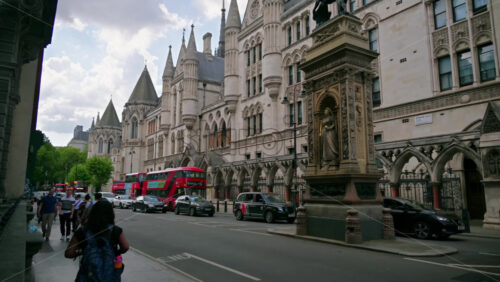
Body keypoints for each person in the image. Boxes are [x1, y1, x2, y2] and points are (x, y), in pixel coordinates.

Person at [65, 201, 129, 281]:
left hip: (87, 275)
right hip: (109, 274)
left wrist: (82, 251)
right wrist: (116, 252)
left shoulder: (83, 230)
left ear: (93, 213)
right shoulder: (115, 230)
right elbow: (125, 247)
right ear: (111, 214)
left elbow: (68, 253)